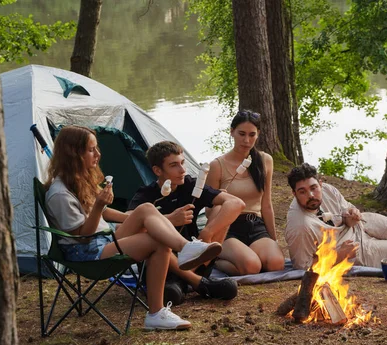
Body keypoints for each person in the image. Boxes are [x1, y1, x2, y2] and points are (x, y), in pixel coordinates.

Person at [44, 126, 223, 330]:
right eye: (91, 149)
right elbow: (83, 236)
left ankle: (184, 250)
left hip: (104, 240)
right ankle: (157, 311)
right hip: (88, 253)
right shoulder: (60, 194)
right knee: (158, 242)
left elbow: (104, 214)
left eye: (96, 148)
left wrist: (132, 217)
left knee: (146, 209)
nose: (98, 154)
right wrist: (100, 206)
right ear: (74, 153)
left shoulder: (79, 180)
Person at [128, 141, 244, 304]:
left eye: (183, 163)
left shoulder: (190, 185)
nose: (182, 170)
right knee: (154, 237)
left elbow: (236, 204)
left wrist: (208, 232)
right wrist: (169, 219)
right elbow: (126, 227)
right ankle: (197, 283)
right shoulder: (146, 195)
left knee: (220, 210)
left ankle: (182, 282)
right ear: (157, 170)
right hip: (162, 265)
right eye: (174, 165)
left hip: (196, 259)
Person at [206, 110, 285, 276]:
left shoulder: (265, 161)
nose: (246, 140)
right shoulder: (217, 165)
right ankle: (216, 259)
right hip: (228, 227)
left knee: (276, 263)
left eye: (252, 134)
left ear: (258, 135)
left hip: (255, 225)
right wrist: (221, 200)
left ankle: (246, 255)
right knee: (252, 267)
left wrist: (274, 240)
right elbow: (208, 211)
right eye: (241, 134)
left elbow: (266, 204)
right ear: (232, 131)